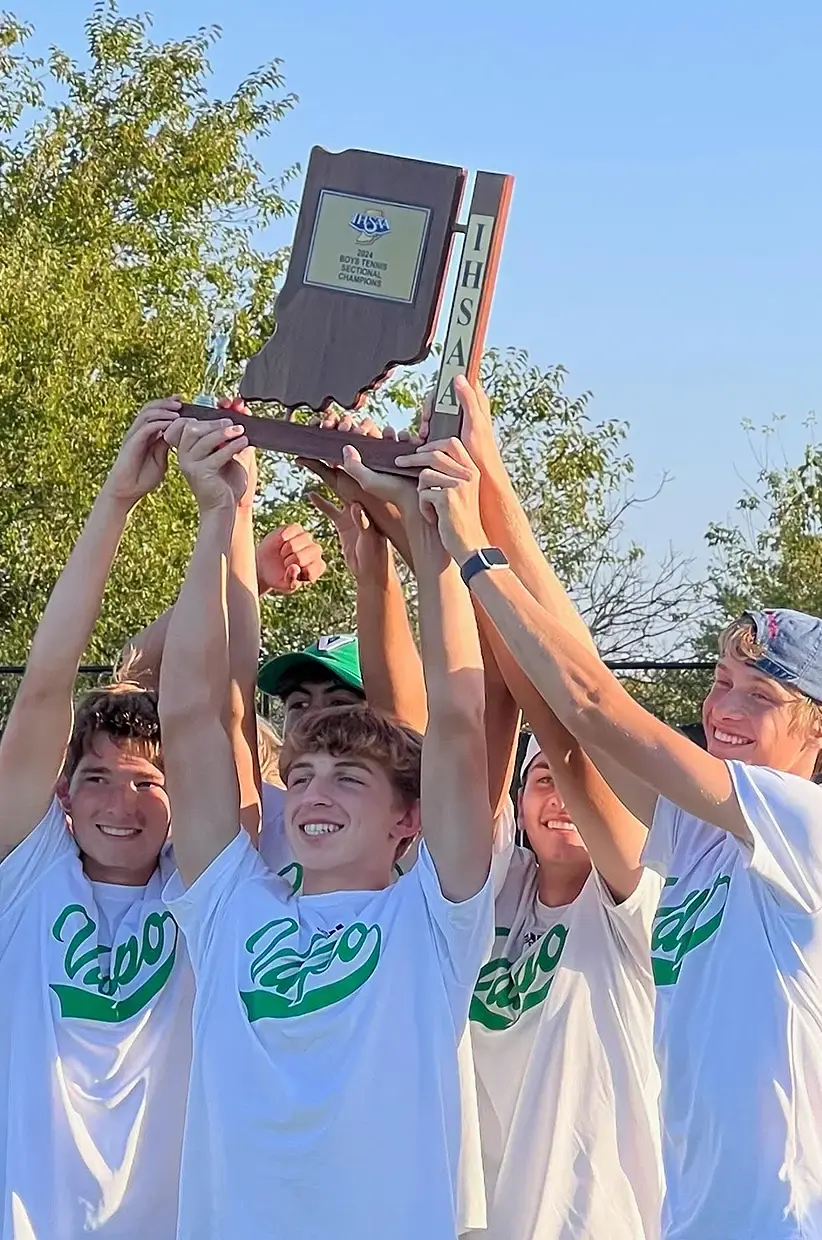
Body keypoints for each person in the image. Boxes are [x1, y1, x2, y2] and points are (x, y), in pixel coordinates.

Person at [401, 375, 822, 1240]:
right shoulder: (709, 844)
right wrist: (488, 478)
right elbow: (572, 720)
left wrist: (469, 548)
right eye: (720, 683)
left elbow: (593, 701)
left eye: (760, 697)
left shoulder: (801, 829)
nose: (722, 711)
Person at [158, 417, 494, 1240]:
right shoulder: (235, 905)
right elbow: (193, 714)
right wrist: (218, 519)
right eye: (301, 775)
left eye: (349, 778)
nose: (314, 792)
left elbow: (455, 715)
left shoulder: (432, 918)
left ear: (407, 818)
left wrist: (432, 531)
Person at [0, 399, 193, 1240]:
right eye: (99, 779)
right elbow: (49, 681)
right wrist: (117, 498)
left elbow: (208, 699)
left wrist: (231, 538)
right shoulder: (28, 872)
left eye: (147, 783)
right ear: (61, 795)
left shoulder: (205, 889)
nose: (122, 803)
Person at [467, 729, 661, 1240]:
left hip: (596, 1222)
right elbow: (469, 747)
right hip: (482, 1218)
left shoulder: (642, 900)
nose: (561, 798)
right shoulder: (497, 890)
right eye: (543, 779)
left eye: (584, 784)